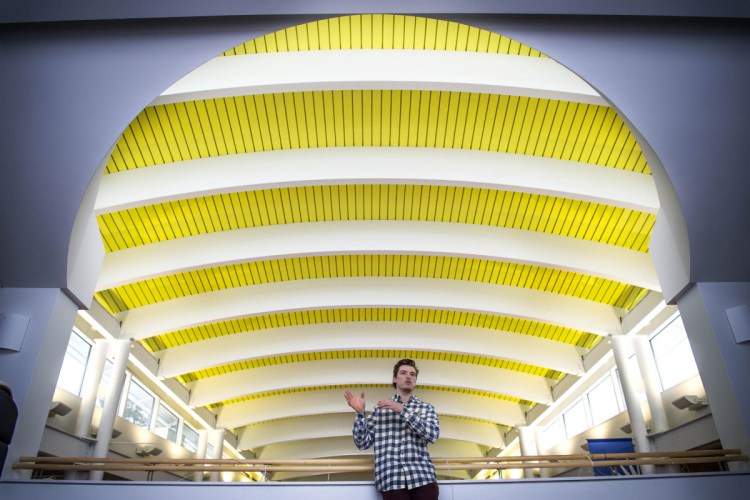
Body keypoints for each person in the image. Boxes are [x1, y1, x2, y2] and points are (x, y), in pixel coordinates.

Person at [344, 359, 440, 500]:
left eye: (412, 374)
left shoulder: (427, 408)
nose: (409, 376)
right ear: (395, 378)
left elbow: (432, 435)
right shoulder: (380, 409)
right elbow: (362, 443)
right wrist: (360, 413)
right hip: (391, 478)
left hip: (423, 476)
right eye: (403, 373)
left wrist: (401, 410)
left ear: (415, 380)